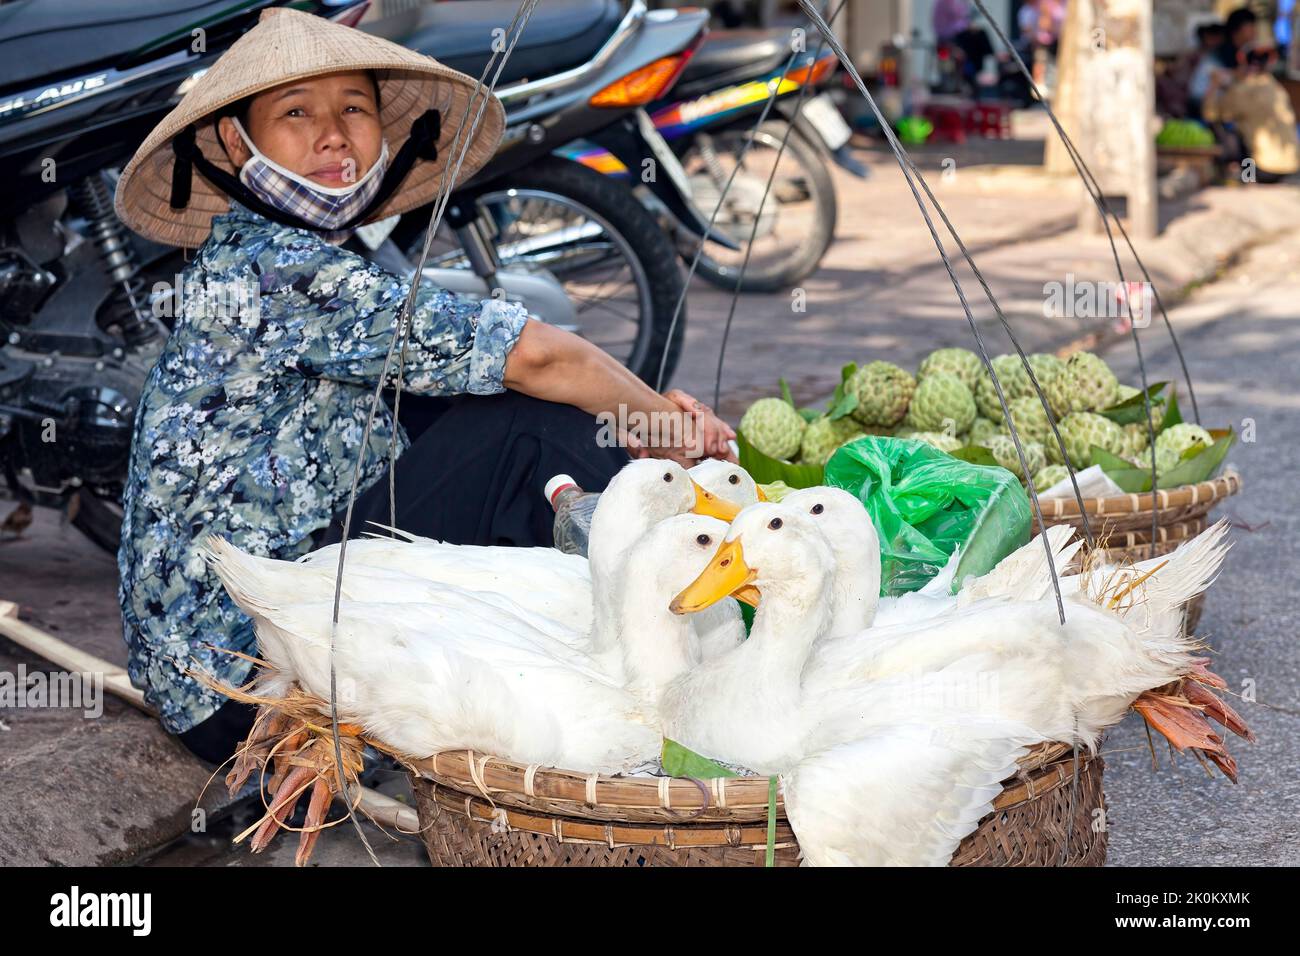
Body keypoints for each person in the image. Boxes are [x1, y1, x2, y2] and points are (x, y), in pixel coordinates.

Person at [112, 9, 736, 765]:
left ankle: (647, 636)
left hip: (273, 613)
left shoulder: (290, 256)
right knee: (534, 431)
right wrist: (672, 428)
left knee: (524, 418)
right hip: (246, 679)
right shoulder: (275, 269)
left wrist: (635, 423)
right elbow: (539, 357)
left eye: (354, 108)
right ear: (237, 143)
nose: (332, 133)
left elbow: (490, 369)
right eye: (295, 112)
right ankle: (668, 659)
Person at [1202, 40, 1300, 181]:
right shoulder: (1275, 87)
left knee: (1226, 130)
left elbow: (1209, 115)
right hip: (1291, 165)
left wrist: (1214, 85)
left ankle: (1246, 177)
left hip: (1264, 169)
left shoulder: (1243, 91)